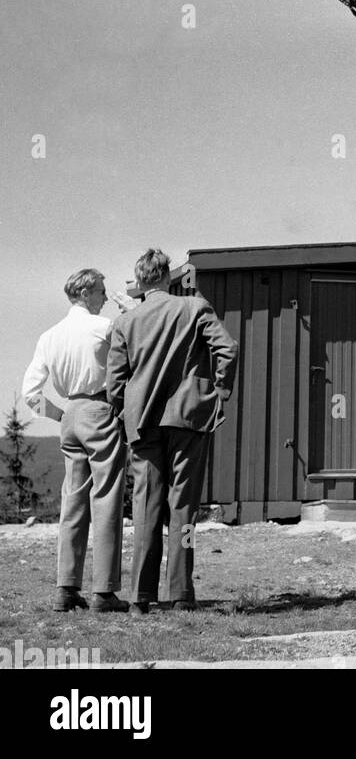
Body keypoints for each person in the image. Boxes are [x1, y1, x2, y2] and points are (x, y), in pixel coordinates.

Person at [106, 247, 238, 612]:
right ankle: (181, 593)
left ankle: (139, 598)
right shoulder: (194, 307)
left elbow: (115, 381)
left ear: (140, 282)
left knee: (146, 508)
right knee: (184, 511)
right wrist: (220, 390)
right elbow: (226, 348)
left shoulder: (125, 322)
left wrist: (122, 410)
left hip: (143, 422)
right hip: (188, 420)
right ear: (167, 276)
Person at [22, 268, 129, 612]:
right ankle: (104, 591)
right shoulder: (104, 327)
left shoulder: (49, 335)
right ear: (86, 292)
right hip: (100, 410)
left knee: (74, 502)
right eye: (100, 290)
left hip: (69, 414)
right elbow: (133, 352)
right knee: (107, 499)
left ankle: (66, 587)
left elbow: (30, 393)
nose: (103, 297)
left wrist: (60, 415)